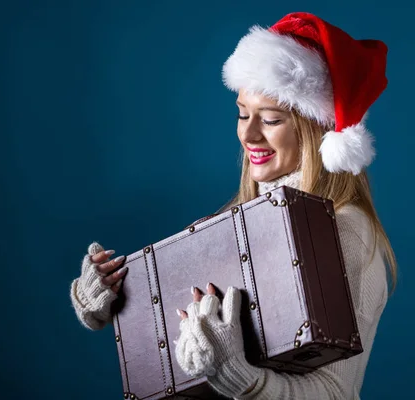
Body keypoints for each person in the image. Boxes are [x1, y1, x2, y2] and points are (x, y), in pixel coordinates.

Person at [69, 12, 397, 399]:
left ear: (317, 131)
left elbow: (334, 392)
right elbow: (172, 338)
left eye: (272, 119)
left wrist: (239, 377)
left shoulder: (346, 233)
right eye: (242, 113)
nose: (248, 132)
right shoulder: (235, 223)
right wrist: (105, 301)